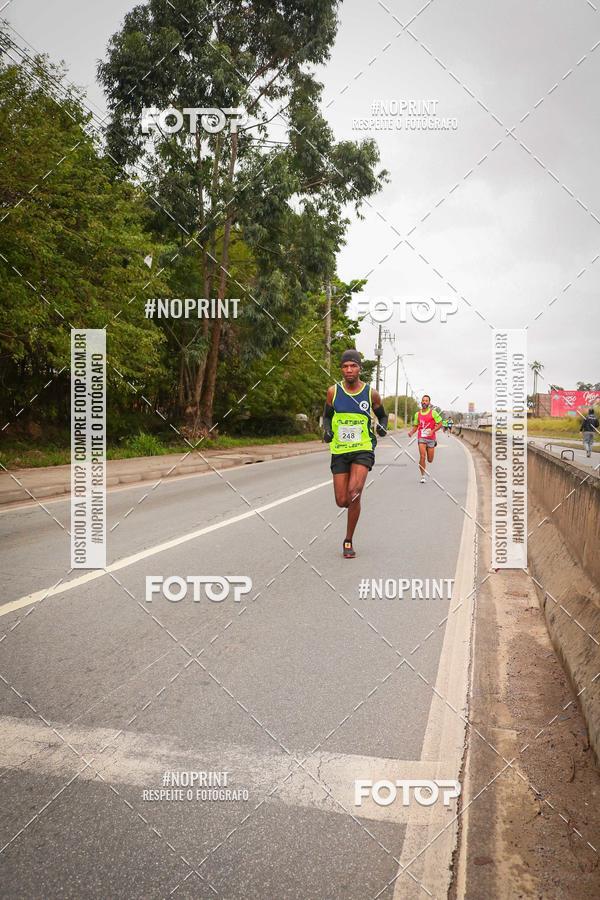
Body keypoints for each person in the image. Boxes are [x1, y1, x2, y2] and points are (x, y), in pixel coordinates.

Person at [323, 349, 388, 558]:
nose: (349, 370)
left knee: (355, 492)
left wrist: (382, 427)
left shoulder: (371, 393)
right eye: (345, 366)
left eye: (353, 366)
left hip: (363, 448)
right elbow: (326, 416)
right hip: (340, 450)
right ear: (341, 369)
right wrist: (327, 430)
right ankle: (353, 499)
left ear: (360, 368)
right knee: (342, 500)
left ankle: (348, 540)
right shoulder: (333, 391)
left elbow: (382, 416)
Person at [407, 394, 443, 482]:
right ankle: (423, 476)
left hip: (431, 438)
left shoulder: (433, 413)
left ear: (429, 403)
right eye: (423, 400)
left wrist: (433, 430)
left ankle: (433, 445)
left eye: (426, 401)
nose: (424, 402)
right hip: (421, 437)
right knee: (422, 456)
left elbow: (440, 424)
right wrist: (411, 432)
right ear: (421, 402)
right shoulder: (417, 414)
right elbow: (416, 426)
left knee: (430, 460)